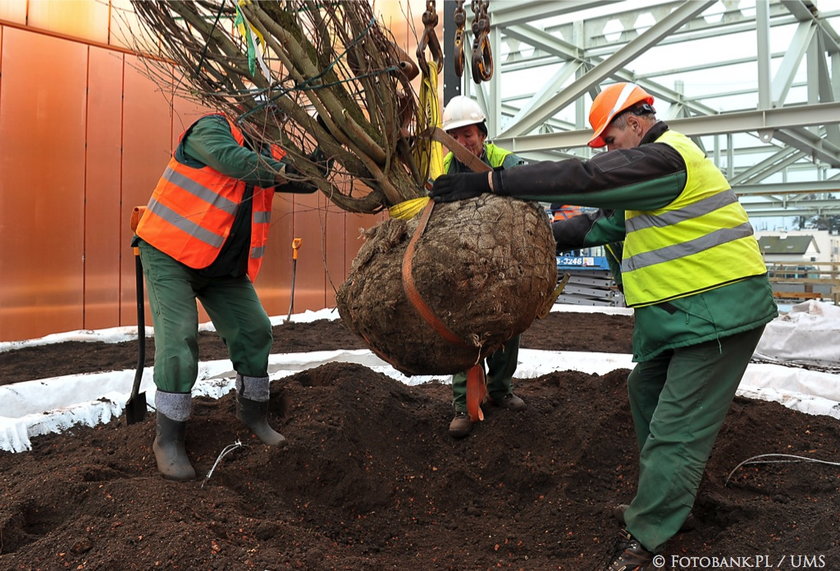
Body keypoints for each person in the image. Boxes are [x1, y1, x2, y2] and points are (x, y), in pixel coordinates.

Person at [431, 82, 777, 569]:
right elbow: (598, 226)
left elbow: (588, 177)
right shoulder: (646, 182)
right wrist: (524, 245)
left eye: (610, 141)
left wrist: (489, 183)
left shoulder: (666, 159)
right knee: (645, 392)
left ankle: (648, 538)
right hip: (684, 317)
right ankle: (669, 500)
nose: (607, 152)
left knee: (676, 427)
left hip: (720, 313)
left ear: (635, 123)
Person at [133, 111, 328, 481]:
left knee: (254, 330)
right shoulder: (212, 129)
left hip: (222, 266)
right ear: (250, 112)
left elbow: (307, 182)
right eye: (271, 117)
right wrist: (289, 168)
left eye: (279, 122)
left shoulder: (267, 153)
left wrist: (328, 139)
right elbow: (236, 163)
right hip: (171, 254)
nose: (276, 127)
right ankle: (169, 438)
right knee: (178, 341)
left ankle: (252, 412)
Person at [440, 95, 528, 438]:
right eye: (456, 137)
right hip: (464, 266)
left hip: (502, 259)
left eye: (469, 134)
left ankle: (500, 389)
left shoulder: (506, 162)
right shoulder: (445, 170)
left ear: (482, 133)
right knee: (463, 334)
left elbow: (525, 188)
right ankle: (463, 406)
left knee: (509, 327)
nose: (463, 143)